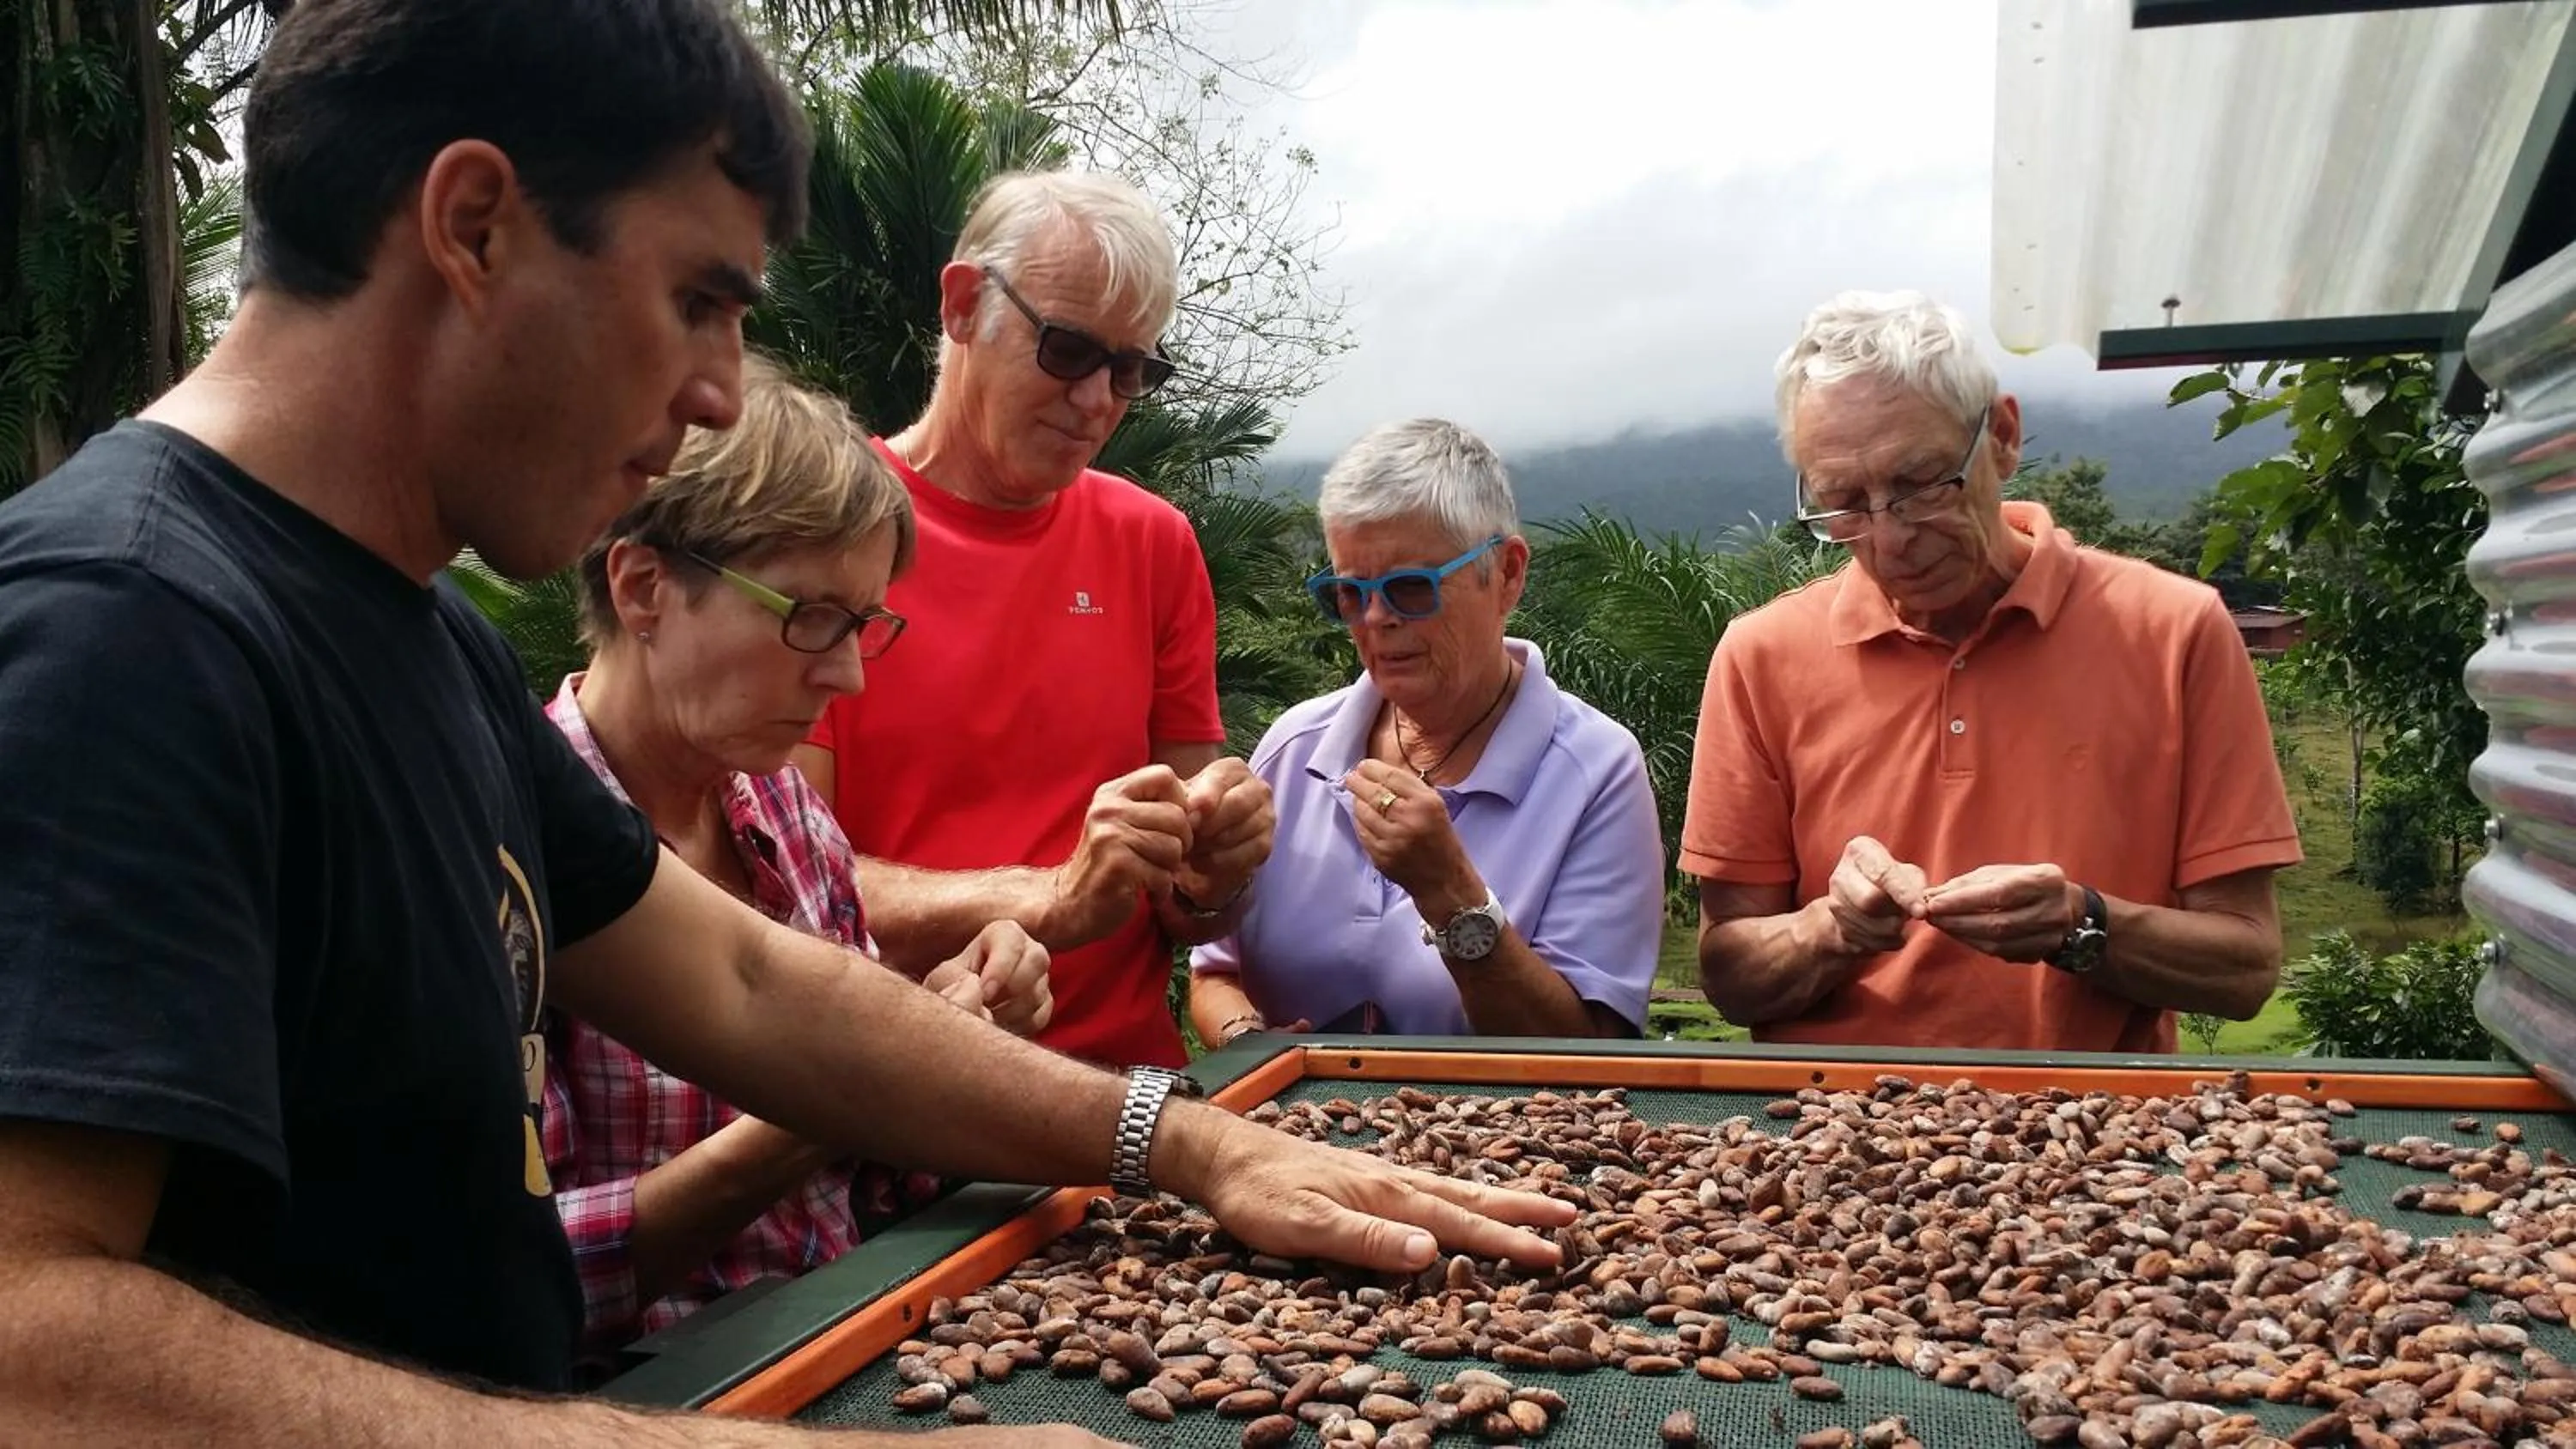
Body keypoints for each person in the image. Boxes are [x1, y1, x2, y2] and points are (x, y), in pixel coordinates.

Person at [0, 3, 1571, 1444]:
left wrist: (1192, 1141)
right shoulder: (125, 629)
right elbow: (31, 1343)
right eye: (698, 301)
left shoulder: (419, 638)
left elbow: (755, 982)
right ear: (472, 226)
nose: (716, 392)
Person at [542, 355, 1059, 1367]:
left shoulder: (784, 811)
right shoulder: (504, 844)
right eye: (809, 615)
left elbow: (872, 1187)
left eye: (862, 623)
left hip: (859, 1343)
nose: (849, 674)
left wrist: (949, 1029)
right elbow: (515, 1273)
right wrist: (837, 1089)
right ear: (644, 587)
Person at [1683, 290, 2302, 1052]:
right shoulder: (1761, 657)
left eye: (1921, 484)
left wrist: (2082, 923)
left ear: (2002, 437)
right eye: (1844, 503)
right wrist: (1831, 929)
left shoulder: (2174, 631)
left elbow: (2245, 968)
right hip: (1828, 1113)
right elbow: (1731, 978)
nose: (1890, 537)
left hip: (2089, 1113)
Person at [792, 171, 1273, 1071]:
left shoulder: (1153, 543)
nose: (1097, 400)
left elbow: (1189, 902)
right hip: (890, 1092)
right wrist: (1051, 896)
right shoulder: (820, 531)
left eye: (1129, 370)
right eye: (1068, 349)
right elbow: (785, 884)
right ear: (962, 306)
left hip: (1129, 1094)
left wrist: (1218, 871)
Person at [1188, 421, 1665, 1045]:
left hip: (1498, 1114)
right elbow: (1215, 972)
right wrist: (1251, 1045)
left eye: (1411, 589)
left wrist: (1451, 895)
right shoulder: (1296, 747)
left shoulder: (1596, 771)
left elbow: (1591, 1048)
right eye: (1348, 594)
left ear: (1507, 573)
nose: (1376, 618)